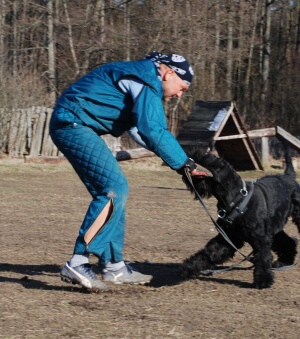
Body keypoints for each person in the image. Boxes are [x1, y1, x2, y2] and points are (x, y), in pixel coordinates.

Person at [50, 51, 198, 292]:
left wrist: (182, 162)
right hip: (73, 124)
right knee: (113, 189)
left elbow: (139, 132)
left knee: (115, 192)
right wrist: (184, 164)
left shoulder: (138, 76)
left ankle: (113, 266)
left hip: (72, 122)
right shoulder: (145, 78)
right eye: (182, 88)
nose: (179, 95)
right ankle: (78, 261)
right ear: (169, 73)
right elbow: (153, 129)